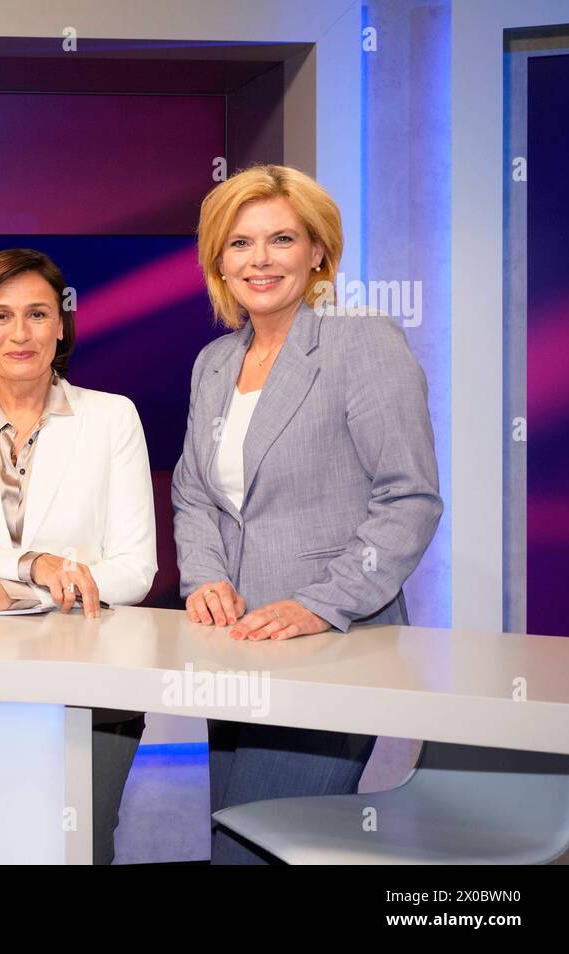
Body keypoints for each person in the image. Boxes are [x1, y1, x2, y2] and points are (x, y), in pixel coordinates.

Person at [172, 164, 442, 863]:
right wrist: (202, 579)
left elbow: (407, 499)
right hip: (234, 646)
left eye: (281, 238)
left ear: (318, 252)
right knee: (229, 836)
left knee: (260, 848)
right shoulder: (213, 363)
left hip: (333, 644)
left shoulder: (361, 341)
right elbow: (195, 494)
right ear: (218, 261)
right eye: (239, 244)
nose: (259, 260)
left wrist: (319, 605)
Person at [0, 248, 157, 864]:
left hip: (94, 683)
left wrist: (22, 592)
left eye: (39, 314)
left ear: (62, 326)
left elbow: (133, 568)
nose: (20, 333)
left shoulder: (112, 417)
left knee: (81, 846)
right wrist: (28, 565)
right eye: (1, 316)